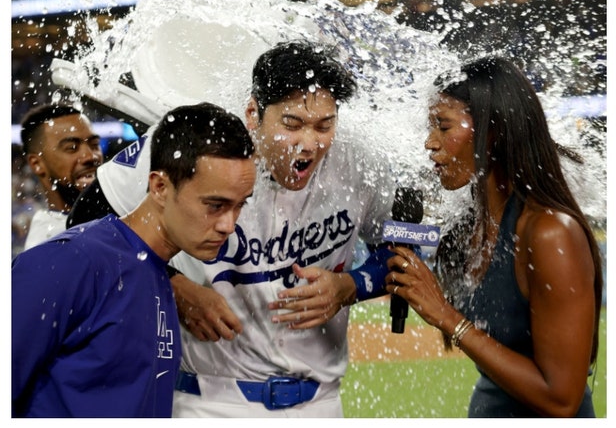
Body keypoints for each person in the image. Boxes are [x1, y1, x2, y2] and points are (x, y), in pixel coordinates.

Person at [68, 40, 398, 417]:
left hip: (322, 402)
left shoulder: (361, 160)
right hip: (208, 401)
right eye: (292, 124)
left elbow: (403, 246)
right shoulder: (200, 141)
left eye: (325, 125)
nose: (310, 142)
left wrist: (353, 285)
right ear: (253, 113)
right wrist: (171, 285)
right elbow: (85, 224)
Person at [384, 56, 603, 417]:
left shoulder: (550, 234)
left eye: (443, 126)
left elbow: (561, 398)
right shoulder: (471, 224)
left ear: (494, 131)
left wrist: (447, 317)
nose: (429, 143)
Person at [12, 102, 256, 417]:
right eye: (215, 204)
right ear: (159, 187)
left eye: (239, 206)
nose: (228, 224)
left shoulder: (157, 274)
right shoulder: (70, 261)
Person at [18, 102, 104, 249]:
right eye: (72, 148)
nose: (90, 156)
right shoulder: (49, 248)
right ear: (37, 164)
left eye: (94, 144)